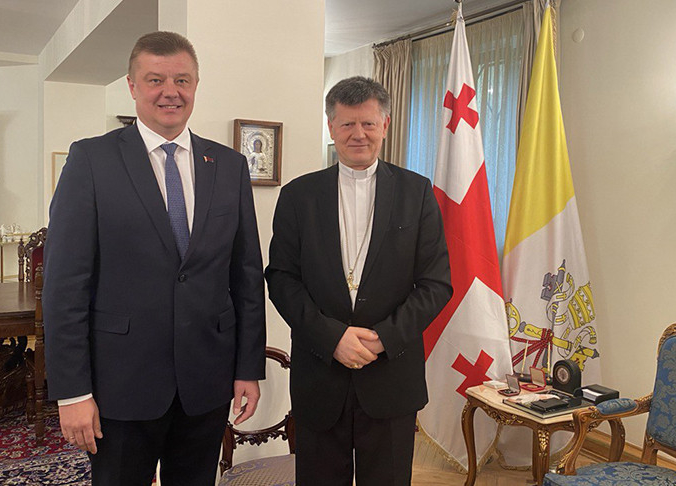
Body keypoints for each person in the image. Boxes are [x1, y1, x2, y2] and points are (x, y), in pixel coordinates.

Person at [43, 31, 266, 486]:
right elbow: (65, 286)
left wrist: (248, 368)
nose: (171, 91)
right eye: (155, 79)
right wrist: (72, 391)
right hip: (119, 387)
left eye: (182, 79)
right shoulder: (91, 160)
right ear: (131, 86)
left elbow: (245, 276)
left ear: (196, 84)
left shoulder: (228, 165)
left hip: (206, 381)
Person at [265, 76, 452, 486]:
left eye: (368, 123)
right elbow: (281, 278)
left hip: (391, 377)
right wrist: (331, 337)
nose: (358, 134)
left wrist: (384, 337)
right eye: (347, 124)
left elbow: (436, 284)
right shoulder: (299, 196)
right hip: (320, 375)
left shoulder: (417, 192)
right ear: (331, 128)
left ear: (385, 124)